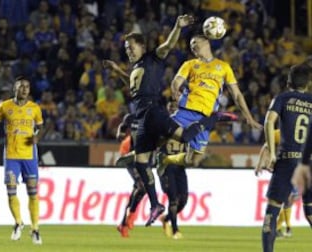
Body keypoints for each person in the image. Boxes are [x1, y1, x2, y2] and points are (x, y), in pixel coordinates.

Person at [103, 15, 236, 226]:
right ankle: (155, 205)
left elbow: (167, 45)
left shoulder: (151, 59)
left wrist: (177, 27)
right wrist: (116, 70)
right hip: (142, 115)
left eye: (131, 47)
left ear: (142, 47)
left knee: (182, 137)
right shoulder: (137, 68)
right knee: (141, 163)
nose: (128, 51)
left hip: (154, 112)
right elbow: (132, 86)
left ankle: (213, 118)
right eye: (126, 48)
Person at [156, 34, 261, 176]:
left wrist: (249, 117)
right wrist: (175, 89)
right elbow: (176, 80)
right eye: (191, 44)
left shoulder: (224, 67)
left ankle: (166, 160)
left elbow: (237, 94)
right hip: (186, 110)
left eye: (195, 42)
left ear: (206, 42)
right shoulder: (190, 64)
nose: (192, 46)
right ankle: (136, 156)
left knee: (194, 161)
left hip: (205, 119)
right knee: (160, 133)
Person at [0, 77, 44, 245]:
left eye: (27, 86)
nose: (24, 89)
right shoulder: (5, 106)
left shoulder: (35, 108)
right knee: (10, 189)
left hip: (29, 155)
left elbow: (41, 127)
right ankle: (18, 222)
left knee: (32, 191)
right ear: (14, 88)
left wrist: (37, 137)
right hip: (11, 155)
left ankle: (35, 229)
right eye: (21, 86)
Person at [261, 63, 312, 252]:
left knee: (272, 212)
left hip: (287, 159)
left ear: (289, 81)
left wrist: (272, 153)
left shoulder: (283, 97)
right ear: (307, 84)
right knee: (310, 213)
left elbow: (269, 121)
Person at [255, 129, 299, 238]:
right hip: (284, 170)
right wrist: (259, 164)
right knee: (286, 199)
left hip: (297, 169)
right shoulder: (278, 134)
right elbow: (265, 147)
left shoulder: (302, 135)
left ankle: (280, 226)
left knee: (292, 199)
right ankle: (286, 227)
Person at [158, 101, 188, 240]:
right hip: (168, 165)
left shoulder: (185, 126)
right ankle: (175, 230)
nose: (173, 111)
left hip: (180, 166)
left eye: (175, 108)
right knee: (174, 199)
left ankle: (166, 219)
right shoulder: (163, 126)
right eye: (171, 108)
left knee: (184, 199)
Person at [116, 112, 146, 238]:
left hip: (142, 155)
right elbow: (121, 129)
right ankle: (130, 217)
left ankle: (124, 223)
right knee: (141, 185)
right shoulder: (131, 117)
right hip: (128, 154)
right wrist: (122, 136)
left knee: (140, 189)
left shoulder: (150, 117)